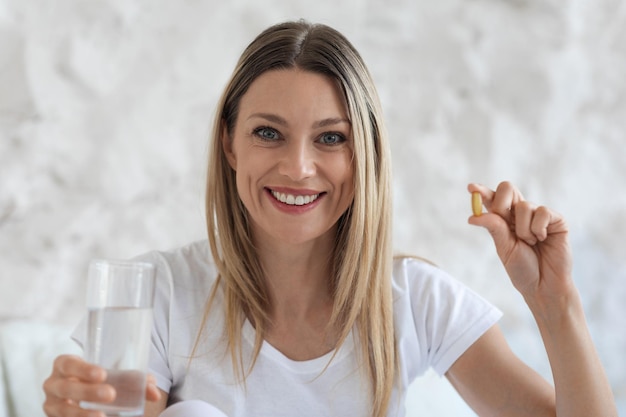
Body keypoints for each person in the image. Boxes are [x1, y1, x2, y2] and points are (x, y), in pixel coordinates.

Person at [42, 20, 617, 417]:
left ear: (363, 156)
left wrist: (555, 300)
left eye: (331, 139)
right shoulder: (163, 293)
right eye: (268, 132)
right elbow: (103, 403)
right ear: (230, 146)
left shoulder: (412, 300)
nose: (298, 167)